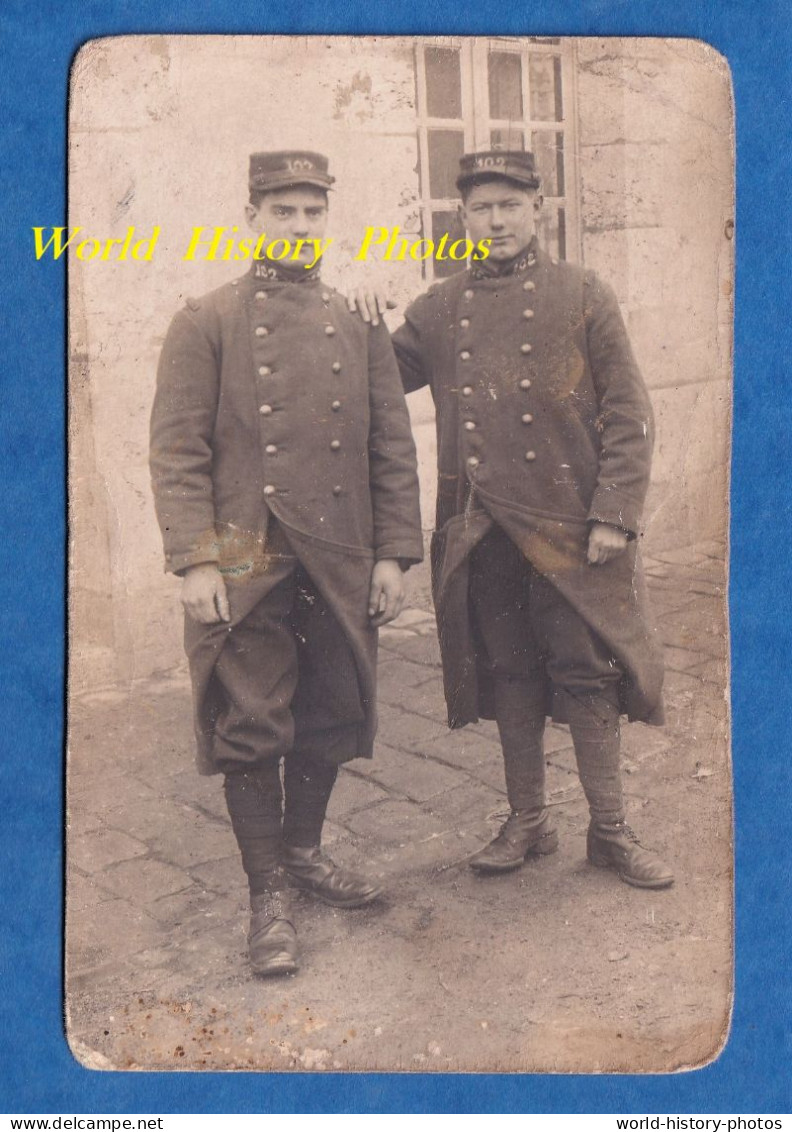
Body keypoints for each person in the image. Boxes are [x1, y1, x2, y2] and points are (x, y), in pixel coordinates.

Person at [361, 149, 673, 889]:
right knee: (509, 676)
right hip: (480, 531)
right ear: (461, 218)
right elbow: (376, 380)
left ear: (539, 209)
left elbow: (629, 409)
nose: (495, 220)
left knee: (588, 674)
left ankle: (611, 830)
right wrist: (363, 314)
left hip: (571, 530)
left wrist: (616, 515)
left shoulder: (583, 293)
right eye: (480, 208)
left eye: (509, 205)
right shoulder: (438, 308)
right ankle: (528, 821)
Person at [150, 150, 423, 978]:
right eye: (284, 212)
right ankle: (266, 892)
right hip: (243, 545)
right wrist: (198, 562)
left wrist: (393, 555)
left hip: (337, 545)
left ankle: (303, 853)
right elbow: (177, 450)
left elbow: (390, 448)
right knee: (252, 720)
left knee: (332, 710)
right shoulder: (207, 319)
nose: (300, 227)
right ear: (252, 217)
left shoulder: (358, 320)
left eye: (313, 213)